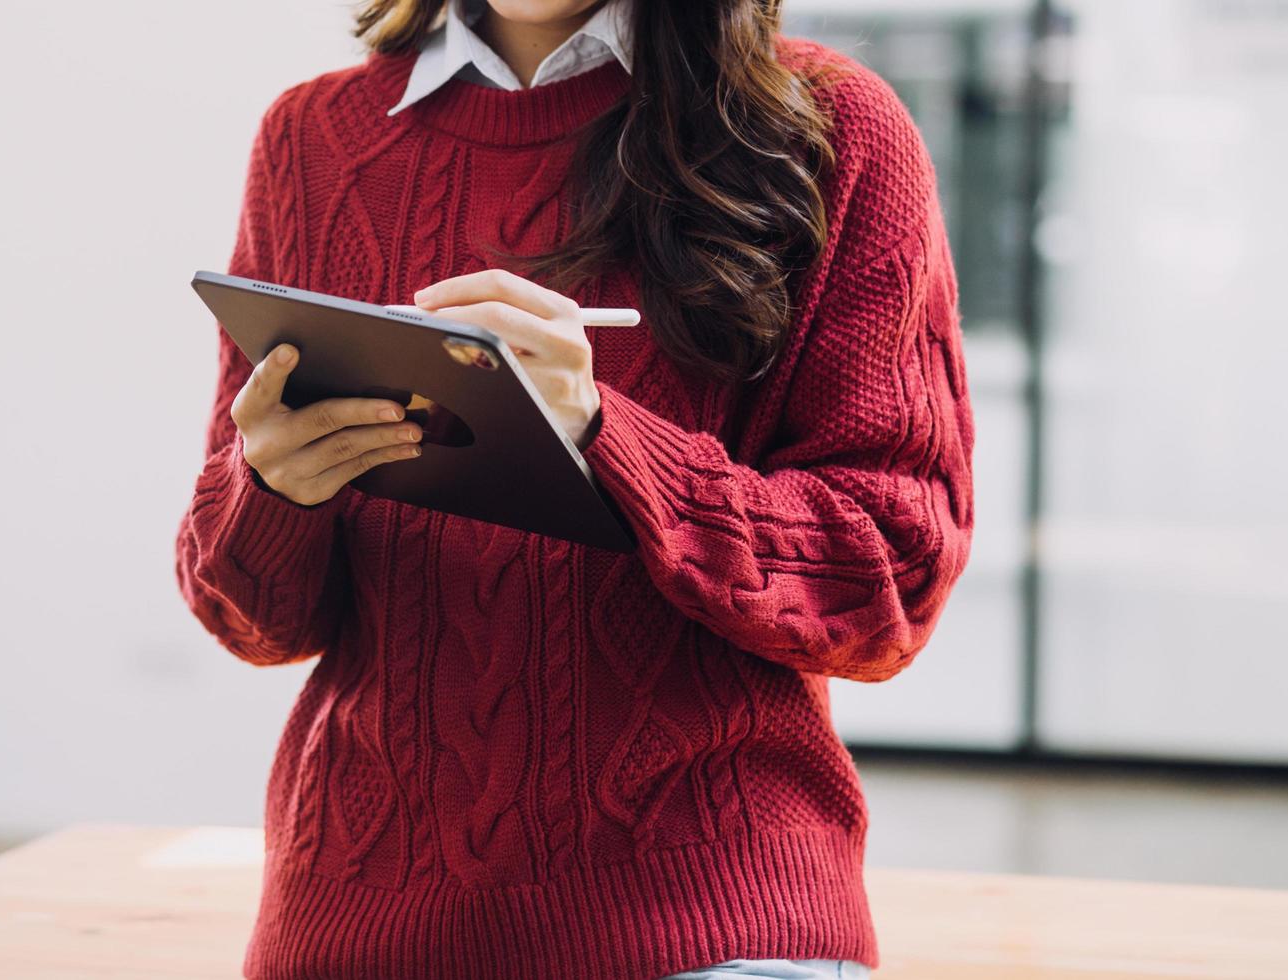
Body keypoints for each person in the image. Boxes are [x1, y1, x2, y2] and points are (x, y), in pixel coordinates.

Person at [175, 0, 973, 977]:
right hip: (354, 921)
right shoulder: (311, 137)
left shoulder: (829, 128)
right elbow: (253, 619)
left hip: (714, 919)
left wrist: (606, 432)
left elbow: (891, 571)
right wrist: (270, 488)